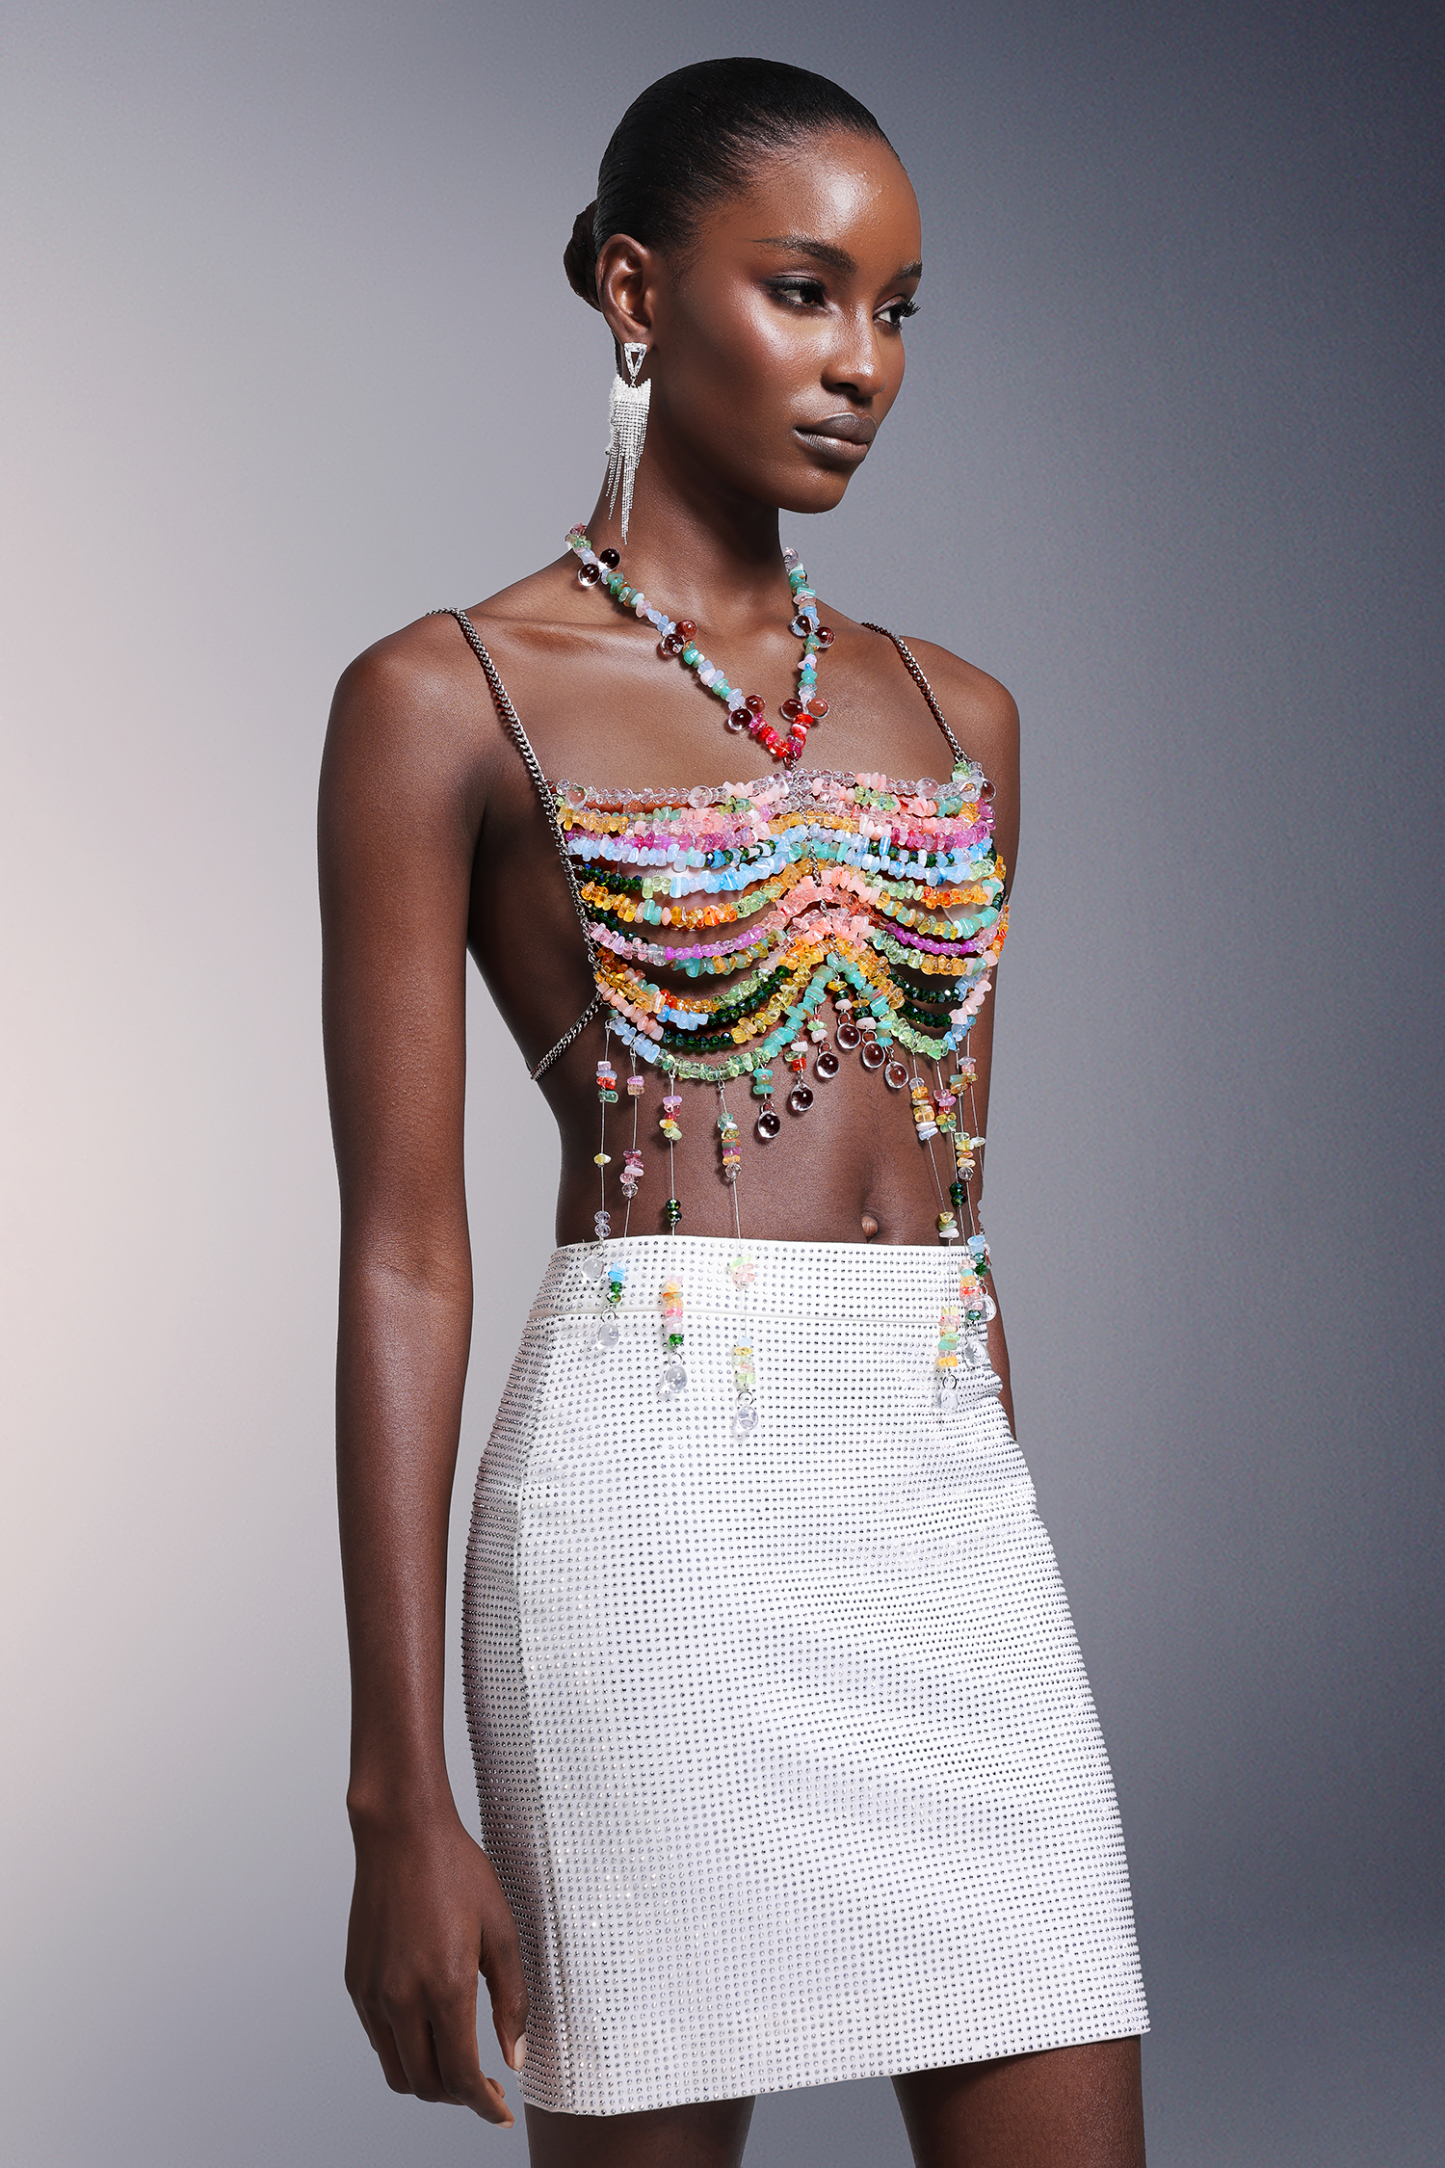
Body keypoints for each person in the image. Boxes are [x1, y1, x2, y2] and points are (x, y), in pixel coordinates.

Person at [319, 57, 1148, 2168]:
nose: (862, 363)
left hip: (939, 1517)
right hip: (646, 1526)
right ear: (634, 290)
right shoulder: (440, 698)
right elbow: (403, 1251)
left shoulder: (964, 716)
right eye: (803, 291)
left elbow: (960, 1212)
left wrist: (988, 1524)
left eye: (897, 310)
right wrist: (399, 1796)